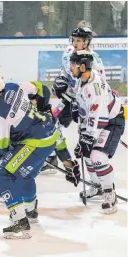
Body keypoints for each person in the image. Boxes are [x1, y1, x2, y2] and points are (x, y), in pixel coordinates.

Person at [0, 73, 58, 239]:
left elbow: (1, 145)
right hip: (50, 133)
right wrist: (39, 105)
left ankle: (20, 222)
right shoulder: (14, 87)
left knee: (4, 176)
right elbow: (37, 88)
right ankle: (30, 210)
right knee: (25, 175)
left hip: (35, 141)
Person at [47, 26, 107, 198]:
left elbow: (100, 83)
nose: (75, 43)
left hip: (85, 101)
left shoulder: (94, 59)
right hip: (71, 97)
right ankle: (52, 156)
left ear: (87, 42)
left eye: (79, 40)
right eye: (74, 39)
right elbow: (65, 71)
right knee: (52, 122)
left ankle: (98, 182)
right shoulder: (68, 52)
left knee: (86, 141)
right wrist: (60, 81)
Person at [69, 50, 124, 214]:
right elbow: (84, 105)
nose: (71, 68)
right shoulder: (82, 79)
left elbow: (99, 118)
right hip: (97, 121)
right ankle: (97, 186)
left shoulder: (95, 88)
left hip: (111, 123)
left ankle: (109, 193)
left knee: (97, 157)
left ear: (83, 66)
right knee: (86, 156)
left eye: (73, 65)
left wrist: (87, 139)